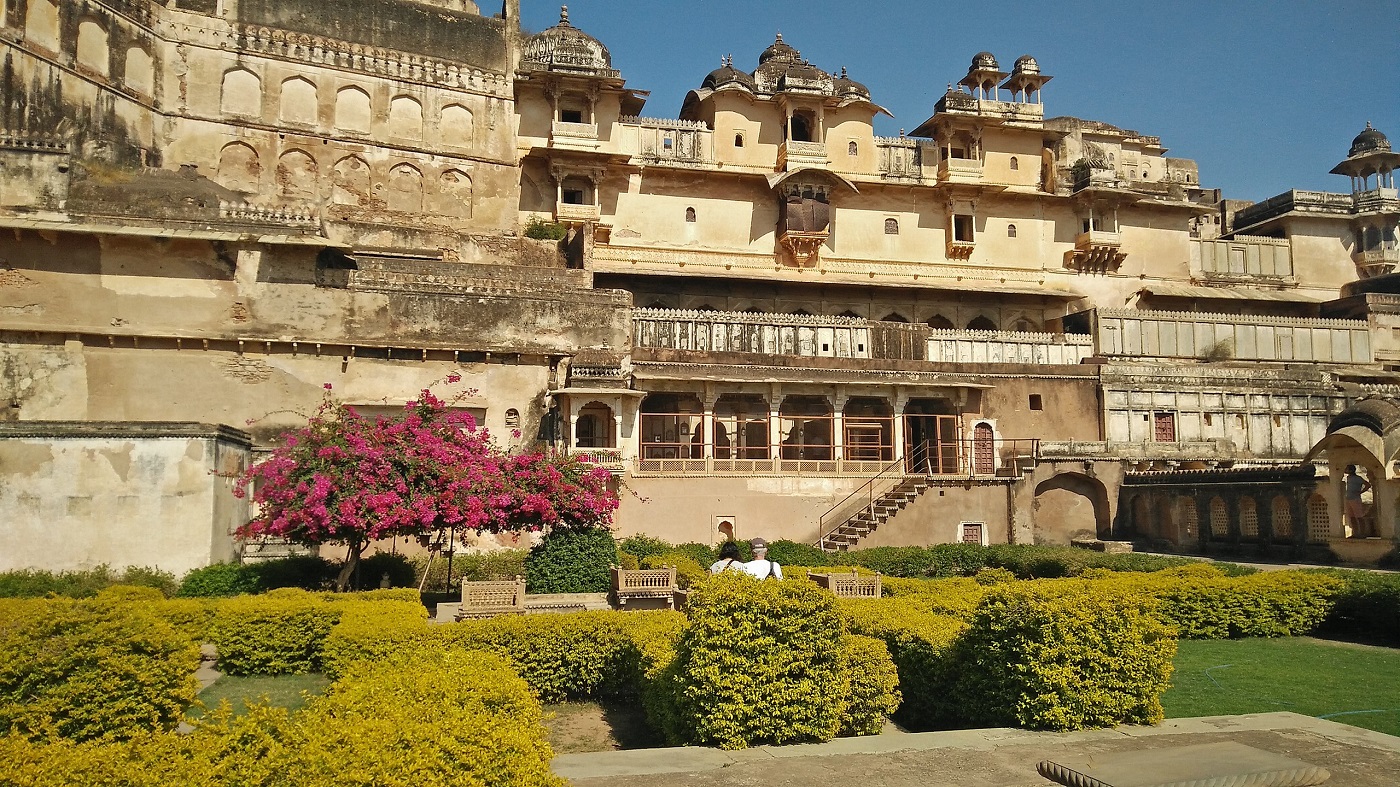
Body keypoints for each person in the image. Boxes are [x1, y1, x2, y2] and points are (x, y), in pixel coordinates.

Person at [1344, 464, 1372, 537]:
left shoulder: (1358, 478)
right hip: (1348, 499)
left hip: (1355, 499)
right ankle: (1355, 533)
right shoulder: (1348, 477)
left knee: (1359, 517)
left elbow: (1368, 485)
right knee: (1352, 517)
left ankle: (1362, 533)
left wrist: (1360, 492)